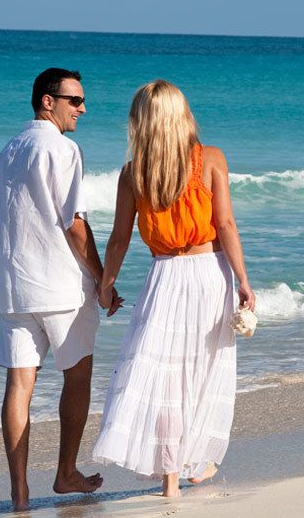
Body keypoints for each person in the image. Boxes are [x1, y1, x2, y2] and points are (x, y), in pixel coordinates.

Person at [92, 80, 255, 497]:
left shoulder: (133, 173)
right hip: (208, 272)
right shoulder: (211, 159)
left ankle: (171, 480)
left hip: (163, 276)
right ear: (181, 116)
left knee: (165, 373)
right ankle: (198, 458)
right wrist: (244, 281)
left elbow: (119, 239)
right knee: (204, 365)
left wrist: (106, 285)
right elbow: (226, 225)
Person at [0, 68, 112, 511]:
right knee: (78, 375)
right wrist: (104, 278)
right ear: (47, 101)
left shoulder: (7, 150)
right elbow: (74, 223)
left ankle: (19, 493)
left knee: (19, 385)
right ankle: (66, 473)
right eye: (74, 100)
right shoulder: (62, 148)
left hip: (10, 286)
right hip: (58, 285)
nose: (82, 109)